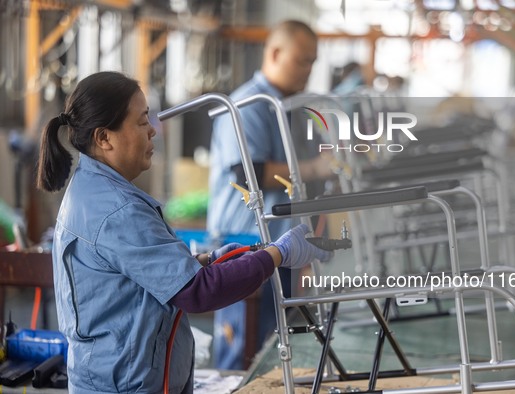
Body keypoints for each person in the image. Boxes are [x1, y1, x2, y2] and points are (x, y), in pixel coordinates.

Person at [36, 71, 332, 393]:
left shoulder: (94, 190)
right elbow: (198, 292)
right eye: (141, 122)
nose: (152, 131)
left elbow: (137, 280)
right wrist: (279, 253)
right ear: (104, 138)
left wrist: (205, 261)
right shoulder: (117, 210)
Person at [207, 20, 333, 369]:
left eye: (312, 62)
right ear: (275, 53)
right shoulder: (248, 104)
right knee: (240, 350)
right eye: (302, 60)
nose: (308, 70)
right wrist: (316, 168)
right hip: (243, 244)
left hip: (280, 247)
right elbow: (247, 173)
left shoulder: (288, 107)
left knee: (273, 350)